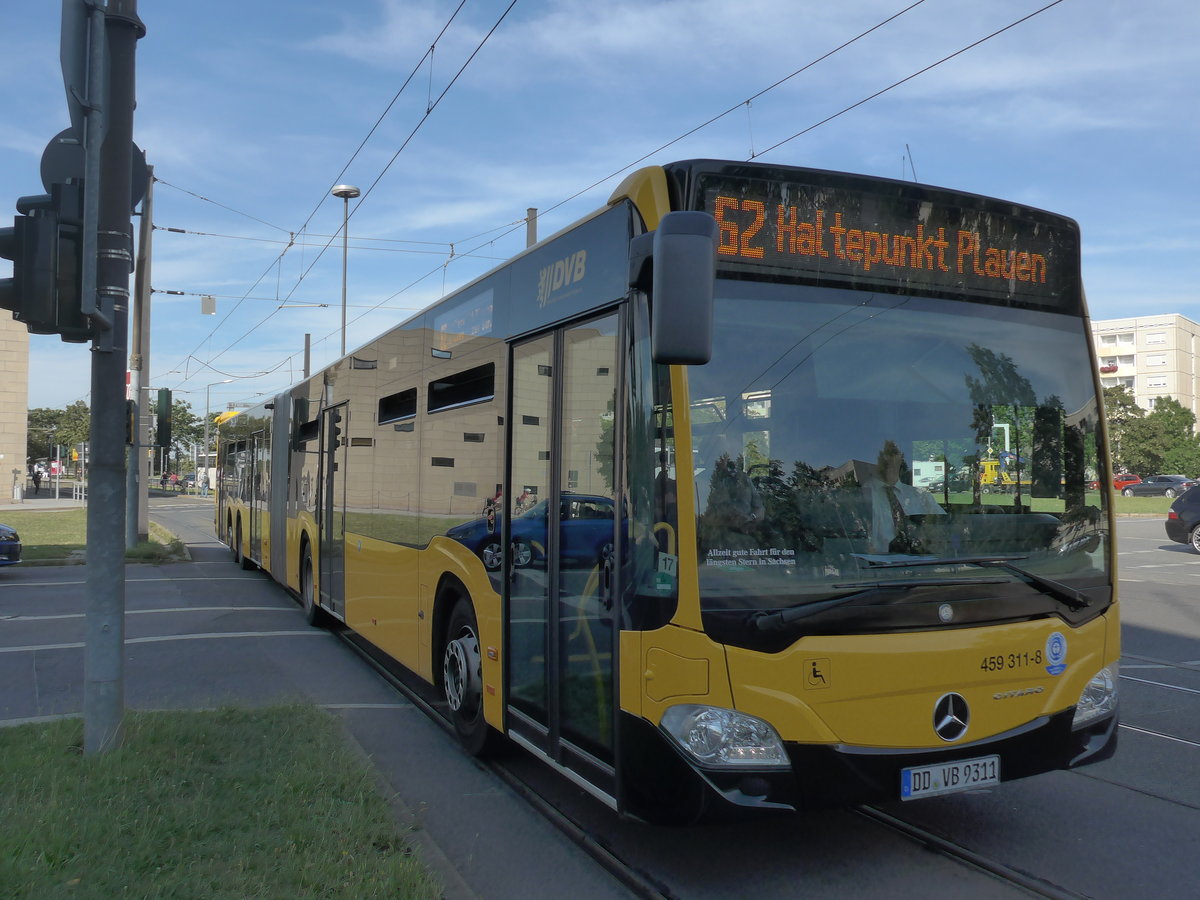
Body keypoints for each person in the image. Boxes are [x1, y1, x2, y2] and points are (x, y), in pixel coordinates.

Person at [863, 441, 944, 554]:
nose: (889, 458)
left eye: (894, 453)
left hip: (923, 566)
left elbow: (946, 529)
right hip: (872, 568)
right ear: (870, 459)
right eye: (882, 454)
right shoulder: (860, 496)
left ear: (901, 458)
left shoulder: (921, 496)